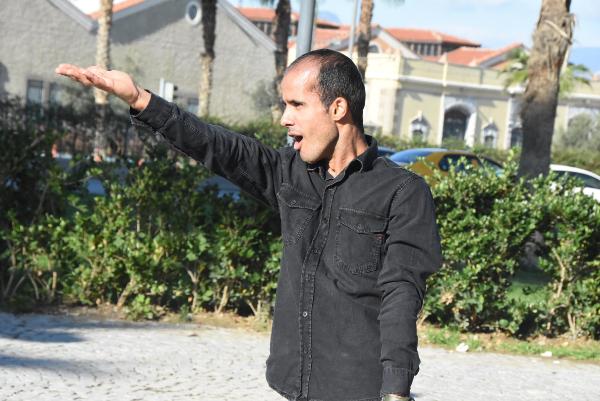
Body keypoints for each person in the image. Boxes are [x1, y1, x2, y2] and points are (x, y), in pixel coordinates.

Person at [56, 49, 442, 401]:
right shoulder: (289, 172)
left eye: (296, 104)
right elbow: (215, 145)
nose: (285, 118)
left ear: (338, 107)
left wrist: (396, 391)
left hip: (358, 389)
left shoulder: (403, 192)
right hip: (293, 383)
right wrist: (140, 99)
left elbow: (401, 294)